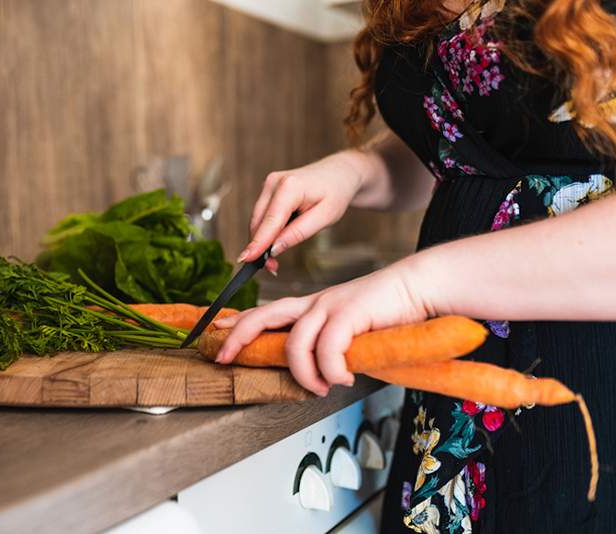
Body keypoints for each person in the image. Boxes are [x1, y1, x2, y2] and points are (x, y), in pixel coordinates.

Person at [212, 1, 616, 532]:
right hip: (453, 389)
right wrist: (358, 169)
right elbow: (470, 142)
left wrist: (415, 286)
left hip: (589, 383)